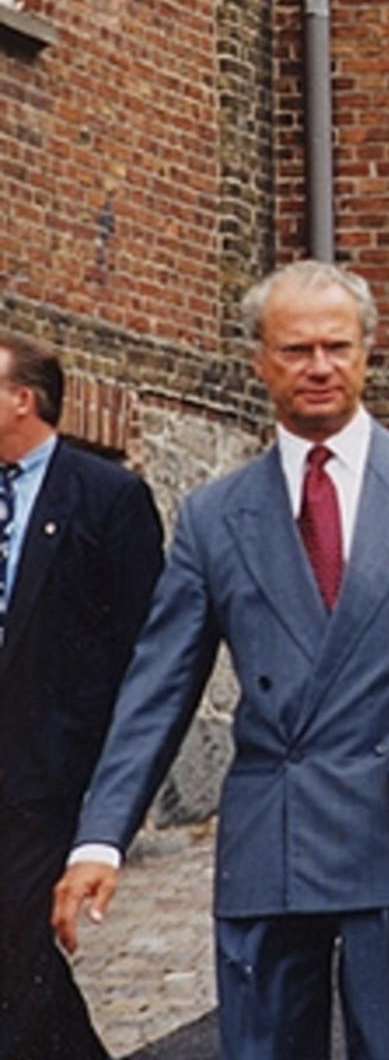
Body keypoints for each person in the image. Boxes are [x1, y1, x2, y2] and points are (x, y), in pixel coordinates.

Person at [52, 261, 389, 1058]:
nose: (319, 367)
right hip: (271, 833)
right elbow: (157, 686)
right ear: (260, 358)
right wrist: (100, 839)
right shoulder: (214, 514)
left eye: (337, 346)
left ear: (367, 353)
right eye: (296, 350)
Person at [0, 336, 164, 1060]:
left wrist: (112, 783)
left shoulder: (107, 497)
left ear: (21, 400)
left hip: (52, 773)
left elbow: (145, 647)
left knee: (20, 949)